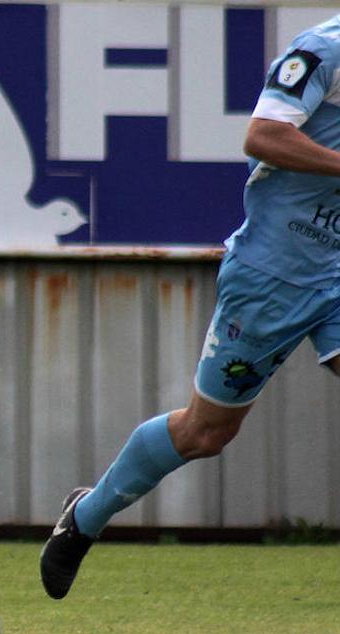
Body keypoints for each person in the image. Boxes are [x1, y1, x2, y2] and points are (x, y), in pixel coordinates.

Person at [39, 15, 340, 599]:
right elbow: (262, 137)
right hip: (273, 275)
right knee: (206, 433)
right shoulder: (323, 49)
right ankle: (86, 517)